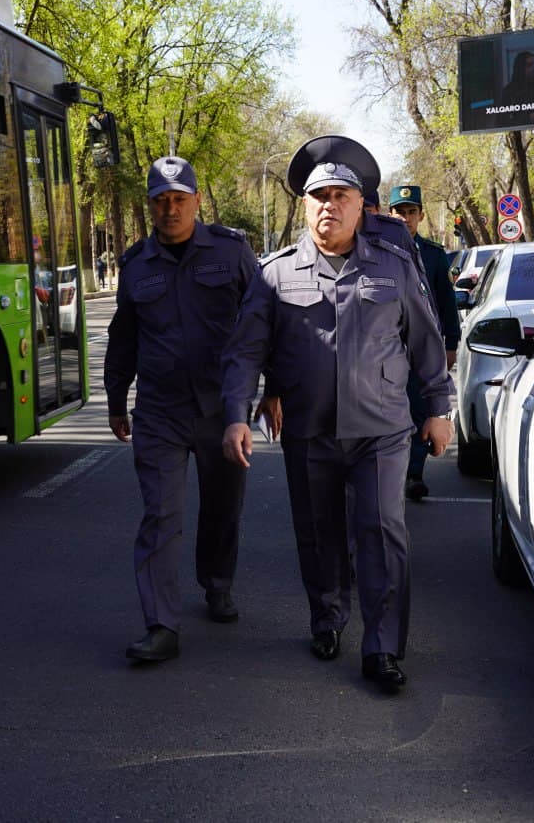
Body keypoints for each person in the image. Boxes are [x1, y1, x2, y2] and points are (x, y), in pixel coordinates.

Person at [220, 136, 453, 693]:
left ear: (360, 205)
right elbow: (245, 351)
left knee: (383, 533)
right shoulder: (276, 273)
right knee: (320, 535)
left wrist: (439, 409)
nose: (330, 204)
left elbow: (425, 341)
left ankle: (382, 648)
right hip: (310, 430)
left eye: (341, 195)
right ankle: (327, 619)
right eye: (318, 195)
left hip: (382, 431)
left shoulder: (395, 267)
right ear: (304, 206)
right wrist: (236, 414)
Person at [105, 156, 257, 662]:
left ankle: (217, 582)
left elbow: (262, 324)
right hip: (160, 410)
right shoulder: (135, 266)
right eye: (160, 200)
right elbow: (122, 338)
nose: (170, 209)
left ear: (196, 202)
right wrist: (115, 399)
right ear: (149, 205)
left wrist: (274, 388)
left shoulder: (232, 253)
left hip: (222, 409)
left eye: (179, 199)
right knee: (161, 514)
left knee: (223, 506)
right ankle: (161, 624)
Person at [389, 186, 462, 501]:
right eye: (399, 212)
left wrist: (451, 343)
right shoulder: (373, 251)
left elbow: (447, 304)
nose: (405, 218)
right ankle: (390, 473)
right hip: (387, 349)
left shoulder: (432, 255)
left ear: (420, 215)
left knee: (419, 411)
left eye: (410, 212)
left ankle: (413, 475)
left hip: (422, 349)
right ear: (389, 215)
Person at [501, 50, 534, 127]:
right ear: (520, 67)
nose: (533, 68)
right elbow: (504, 121)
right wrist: (529, 118)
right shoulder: (509, 90)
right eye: (529, 65)